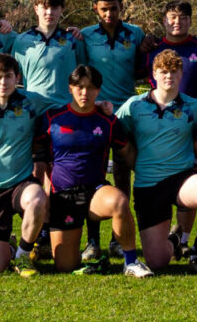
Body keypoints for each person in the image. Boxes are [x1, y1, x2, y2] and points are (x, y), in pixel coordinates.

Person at [115, 50, 197, 276]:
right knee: (158, 262)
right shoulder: (134, 106)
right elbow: (117, 136)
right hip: (148, 184)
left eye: (174, 71)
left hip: (181, 179)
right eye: (163, 71)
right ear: (153, 74)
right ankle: (174, 241)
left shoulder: (194, 107)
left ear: (182, 73)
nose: (169, 76)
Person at [34, 64, 137, 274]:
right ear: (70, 88)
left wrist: (147, 175)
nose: (85, 92)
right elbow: (39, 158)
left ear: (98, 90)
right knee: (65, 266)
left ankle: (132, 262)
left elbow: (126, 152)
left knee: (119, 201)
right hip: (63, 197)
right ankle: (96, 265)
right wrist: (42, 193)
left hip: (95, 192)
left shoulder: (108, 121)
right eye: (79, 87)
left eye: (90, 88)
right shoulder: (52, 118)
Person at [0, 53, 51, 274]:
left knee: (38, 198)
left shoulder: (32, 101)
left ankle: (23, 256)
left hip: (22, 182)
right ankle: (11, 249)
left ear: (17, 78)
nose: (3, 82)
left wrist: (98, 103)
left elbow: (68, 105)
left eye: (8, 77)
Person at [76, 0, 143, 261]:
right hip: (96, 114)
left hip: (126, 114)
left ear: (121, 8)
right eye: (103, 9)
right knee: (94, 176)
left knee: (124, 176)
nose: (109, 14)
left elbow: (143, 67)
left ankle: (119, 238)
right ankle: (93, 241)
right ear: (95, 9)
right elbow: (80, 74)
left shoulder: (135, 34)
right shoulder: (85, 36)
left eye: (114, 9)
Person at [11, 0, 87, 109]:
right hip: (33, 110)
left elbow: (84, 75)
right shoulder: (22, 41)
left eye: (55, 8)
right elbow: (13, 77)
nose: (50, 12)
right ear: (36, 9)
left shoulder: (73, 40)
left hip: (63, 109)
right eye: (45, 7)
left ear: (62, 9)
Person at [144, 0, 197, 106]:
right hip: (160, 116)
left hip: (195, 118)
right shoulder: (151, 48)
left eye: (183, 18)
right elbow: (134, 75)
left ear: (190, 21)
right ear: (164, 21)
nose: (177, 21)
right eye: (172, 17)